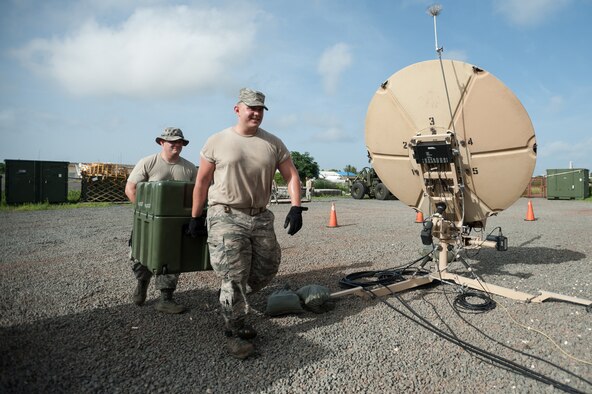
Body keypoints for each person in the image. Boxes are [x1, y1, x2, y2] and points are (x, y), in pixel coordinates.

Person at [188, 88, 307, 359]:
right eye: (250, 108)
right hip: (226, 214)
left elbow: (291, 176)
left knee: (267, 267)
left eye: (261, 109)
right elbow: (202, 182)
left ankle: (231, 296)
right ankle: (235, 330)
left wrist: (296, 207)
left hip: (261, 216)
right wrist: (195, 217)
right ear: (237, 109)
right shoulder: (217, 141)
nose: (256, 113)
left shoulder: (273, 143)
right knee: (234, 276)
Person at [125, 127, 197, 314]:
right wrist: (146, 213)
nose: (176, 144)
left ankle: (166, 298)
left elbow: (197, 193)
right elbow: (131, 189)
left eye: (179, 141)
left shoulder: (189, 167)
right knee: (141, 255)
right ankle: (142, 284)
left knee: (172, 257)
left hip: (175, 224)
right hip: (150, 222)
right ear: (161, 143)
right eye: (172, 141)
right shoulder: (148, 163)